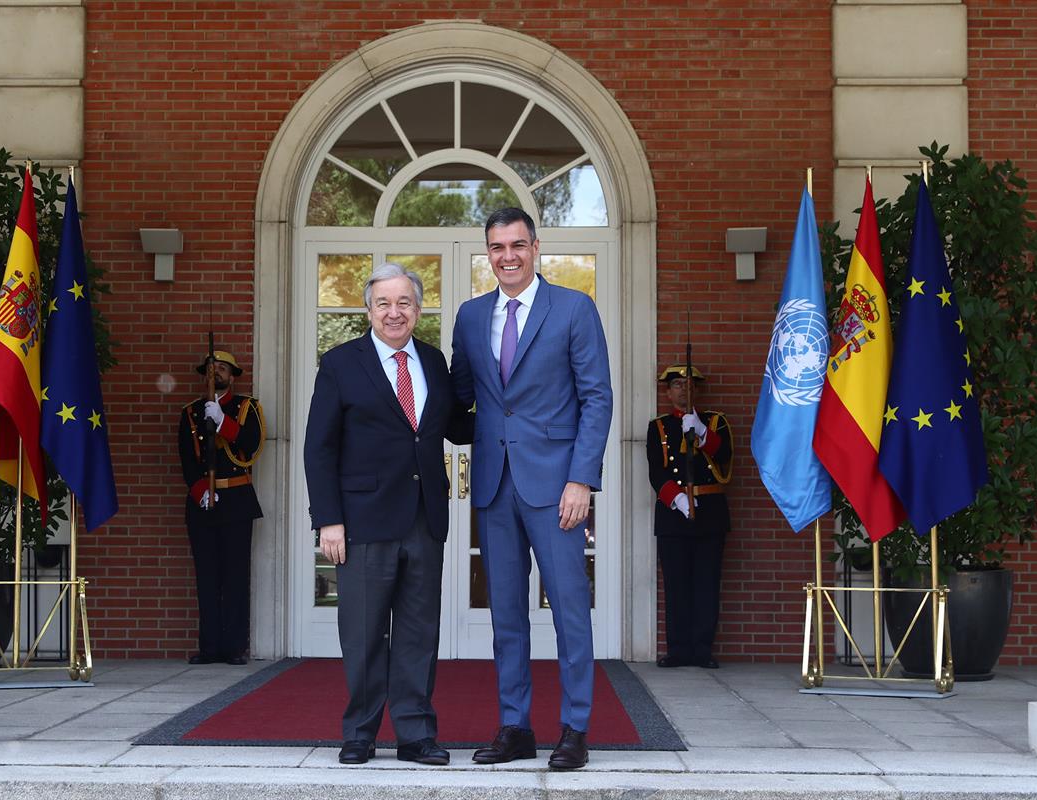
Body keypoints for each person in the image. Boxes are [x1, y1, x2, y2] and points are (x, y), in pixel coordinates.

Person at [450, 207, 613, 771]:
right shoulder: (470, 318)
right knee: (507, 615)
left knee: (570, 609)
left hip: (558, 487)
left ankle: (575, 729)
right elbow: (462, 400)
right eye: (497, 248)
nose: (508, 257)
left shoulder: (573, 308)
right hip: (494, 486)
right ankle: (516, 726)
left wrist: (582, 479)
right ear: (487, 253)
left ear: (536, 247)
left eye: (517, 245)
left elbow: (597, 398)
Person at [304, 263, 473, 767]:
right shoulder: (340, 363)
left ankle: (416, 736)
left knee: (419, 633)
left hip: (424, 519)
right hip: (362, 521)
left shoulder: (433, 360)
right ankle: (359, 733)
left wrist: (510, 396)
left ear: (417, 310)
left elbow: (457, 428)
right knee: (363, 631)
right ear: (368, 309)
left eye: (404, 303)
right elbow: (319, 447)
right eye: (384, 303)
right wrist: (327, 519)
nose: (394, 312)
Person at [177, 349, 265, 666]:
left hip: (237, 503)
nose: (216, 373)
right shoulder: (190, 412)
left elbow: (252, 443)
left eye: (223, 368)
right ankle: (210, 646)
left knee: (235, 576)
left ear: (233, 374)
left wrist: (223, 422)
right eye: (212, 368)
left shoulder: (245, 408)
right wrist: (201, 490)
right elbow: (187, 459)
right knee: (207, 577)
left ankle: (234, 646)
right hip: (203, 503)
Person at [647, 365, 733, 670]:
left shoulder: (715, 423)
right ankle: (679, 649)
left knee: (706, 583)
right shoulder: (657, 427)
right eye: (678, 385)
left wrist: (702, 433)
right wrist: (678, 498)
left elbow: (724, 458)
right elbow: (656, 472)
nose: (684, 390)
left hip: (709, 513)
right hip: (674, 515)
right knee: (676, 584)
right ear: (668, 392)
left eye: (689, 384)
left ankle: (702, 649)